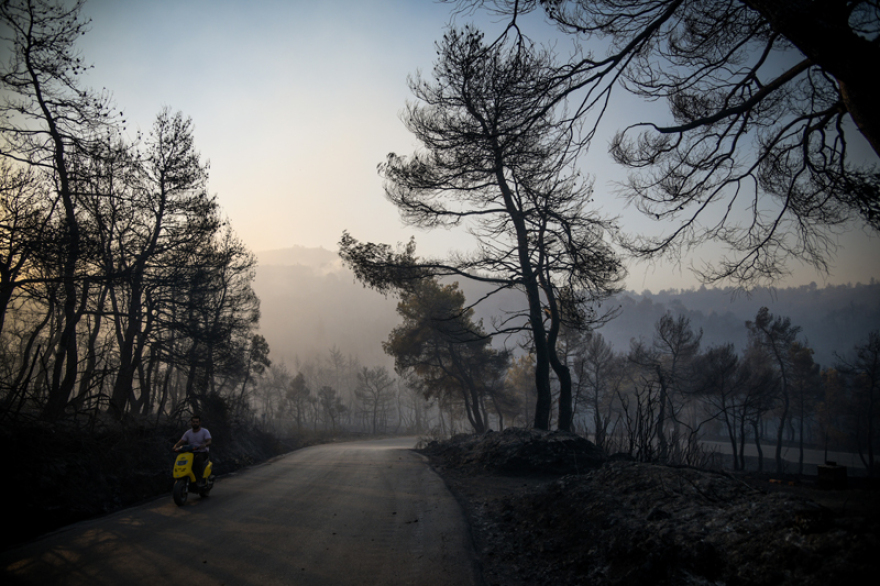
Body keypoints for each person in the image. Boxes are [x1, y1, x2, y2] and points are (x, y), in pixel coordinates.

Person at [174, 415, 212, 486]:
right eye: (193, 422)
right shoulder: (188, 433)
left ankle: (199, 480)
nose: (195, 423)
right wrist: (175, 446)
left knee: (198, 460)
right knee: (182, 460)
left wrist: (204, 445)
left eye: (196, 422)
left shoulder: (204, 431)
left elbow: (209, 441)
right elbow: (182, 441)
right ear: (191, 422)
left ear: (199, 423)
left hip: (202, 452)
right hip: (190, 452)